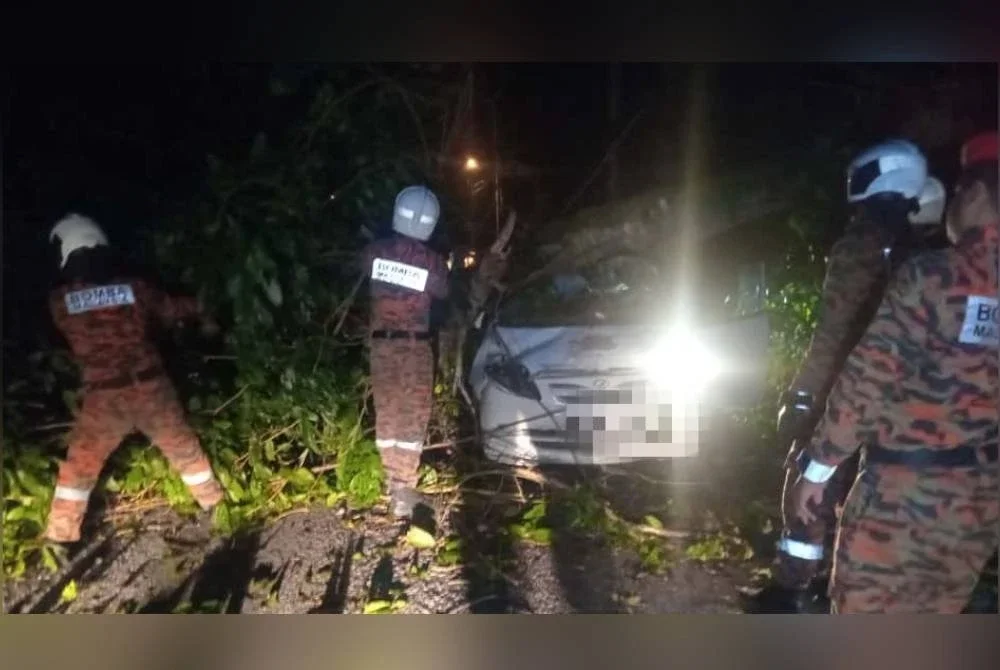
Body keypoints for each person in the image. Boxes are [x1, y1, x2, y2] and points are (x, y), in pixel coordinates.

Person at [792, 131, 999, 613]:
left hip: (902, 500)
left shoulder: (933, 276)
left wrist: (819, 467)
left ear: (975, 196)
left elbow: (869, 377)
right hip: (979, 505)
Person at [745, 140, 933, 613]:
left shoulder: (861, 241)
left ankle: (793, 595)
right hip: (905, 409)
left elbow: (832, 333)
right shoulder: (925, 251)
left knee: (807, 491)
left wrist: (803, 396)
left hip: (847, 393)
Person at [44, 213, 224, 544]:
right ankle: (214, 505)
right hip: (151, 387)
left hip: (104, 397)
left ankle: (61, 535)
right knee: (183, 447)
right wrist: (205, 308)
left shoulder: (60, 303)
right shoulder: (136, 289)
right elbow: (173, 309)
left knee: (80, 464)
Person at [361, 186, 449, 521]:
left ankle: (391, 481)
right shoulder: (434, 264)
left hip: (382, 346)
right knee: (412, 414)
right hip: (414, 347)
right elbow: (443, 290)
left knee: (388, 411)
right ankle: (403, 485)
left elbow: (364, 267)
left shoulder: (373, 252)